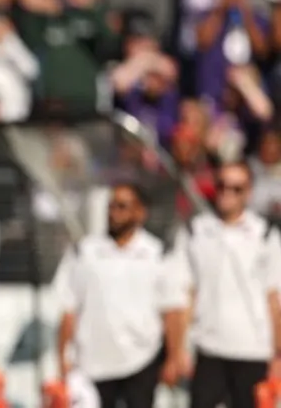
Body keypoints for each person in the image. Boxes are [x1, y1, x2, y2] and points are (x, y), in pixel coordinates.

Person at [54, 183, 185, 408]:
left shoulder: (157, 254)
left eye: (122, 206)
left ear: (140, 212)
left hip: (142, 359)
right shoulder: (84, 252)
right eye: (111, 206)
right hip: (92, 363)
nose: (114, 213)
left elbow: (172, 310)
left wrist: (174, 358)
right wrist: (62, 358)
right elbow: (69, 309)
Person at [168, 161, 281, 408]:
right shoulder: (195, 231)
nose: (227, 193)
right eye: (222, 186)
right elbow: (186, 294)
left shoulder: (265, 234)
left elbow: (274, 297)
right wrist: (178, 349)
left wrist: (278, 354)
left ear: (248, 192)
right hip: (209, 348)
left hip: (254, 350)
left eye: (236, 188)